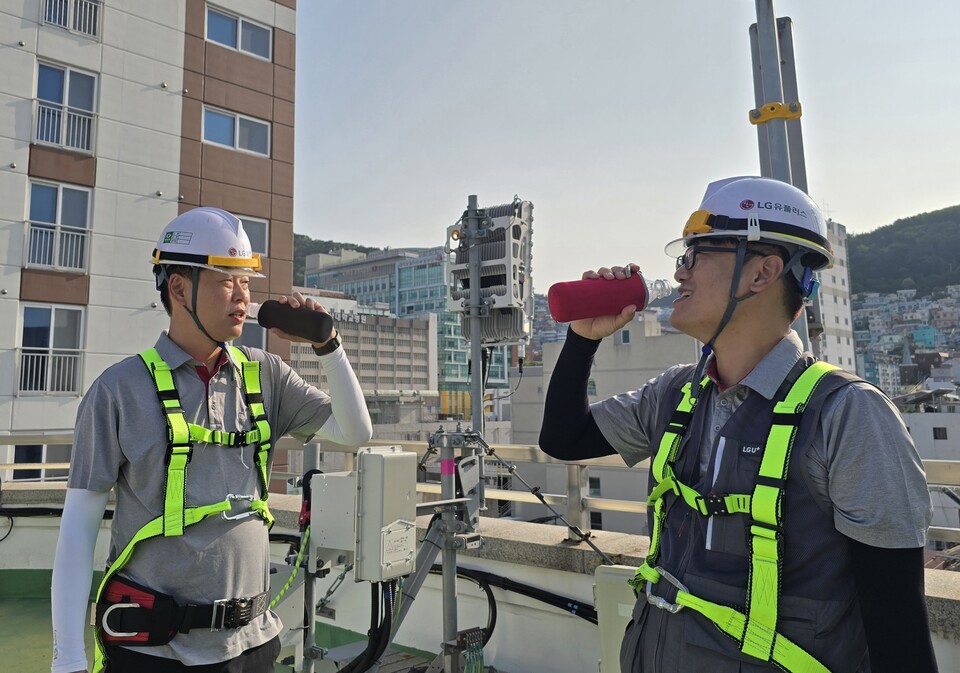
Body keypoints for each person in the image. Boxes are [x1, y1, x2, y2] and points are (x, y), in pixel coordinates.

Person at [539, 177, 937, 673]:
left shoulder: (849, 414)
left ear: (762, 272)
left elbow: (897, 625)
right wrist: (583, 339)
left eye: (696, 255)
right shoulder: (676, 393)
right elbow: (564, 439)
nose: (679, 273)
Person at [50, 207, 373, 673]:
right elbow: (78, 530)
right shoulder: (118, 391)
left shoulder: (265, 373)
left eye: (246, 283)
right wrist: (67, 660)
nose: (243, 296)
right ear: (179, 288)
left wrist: (328, 343)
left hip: (254, 643)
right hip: (154, 654)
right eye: (226, 282)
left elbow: (355, 431)